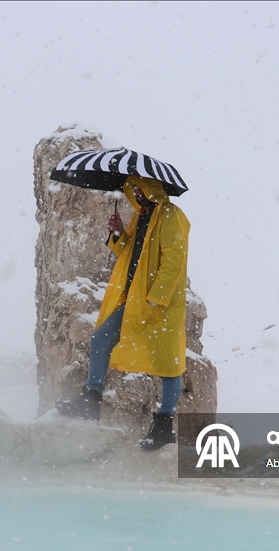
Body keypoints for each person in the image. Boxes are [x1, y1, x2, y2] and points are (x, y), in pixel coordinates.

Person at [56, 175, 190, 450]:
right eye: (133, 189)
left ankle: (164, 424)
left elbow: (174, 262)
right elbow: (131, 253)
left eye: (141, 188)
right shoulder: (142, 216)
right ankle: (90, 401)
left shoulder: (171, 216)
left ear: (153, 188)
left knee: (168, 364)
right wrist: (118, 234)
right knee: (101, 339)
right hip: (133, 300)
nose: (137, 194)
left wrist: (155, 301)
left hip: (158, 304)